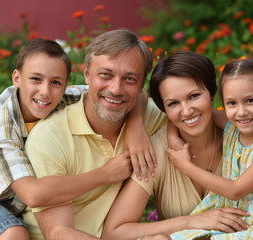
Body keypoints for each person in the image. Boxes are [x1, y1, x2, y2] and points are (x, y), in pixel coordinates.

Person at [0, 38, 154, 240]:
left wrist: (136, 127)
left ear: (65, 84)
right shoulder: (0, 124)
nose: (45, 91)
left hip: (19, 206)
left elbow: (131, 94)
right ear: (16, 78)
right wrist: (105, 174)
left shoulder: (65, 97)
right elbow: (32, 195)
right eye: (36, 79)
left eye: (55, 82)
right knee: (13, 235)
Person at [102, 51, 253, 240]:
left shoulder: (238, 133)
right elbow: (114, 233)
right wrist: (191, 222)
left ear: (211, 94)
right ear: (164, 109)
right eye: (173, 104)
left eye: (194, 96)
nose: (186, 111)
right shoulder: (158, 151)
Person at [21, 29, 167, 239]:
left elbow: (202, 119)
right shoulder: (51, 137)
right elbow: (59, 233)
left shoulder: (151, 119)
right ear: (87, 74)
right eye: (105, 75)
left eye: (130, 79)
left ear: (141, 84)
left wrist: (136, 124)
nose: (116, 89)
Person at [168, 57, 253, 239]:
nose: (241, 112)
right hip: (233, 217)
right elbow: (190, 114)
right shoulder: (233, 127)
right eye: (232, 103)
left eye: (250, 100)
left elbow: (235, 190)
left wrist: (187, 167)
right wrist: (172, 137)